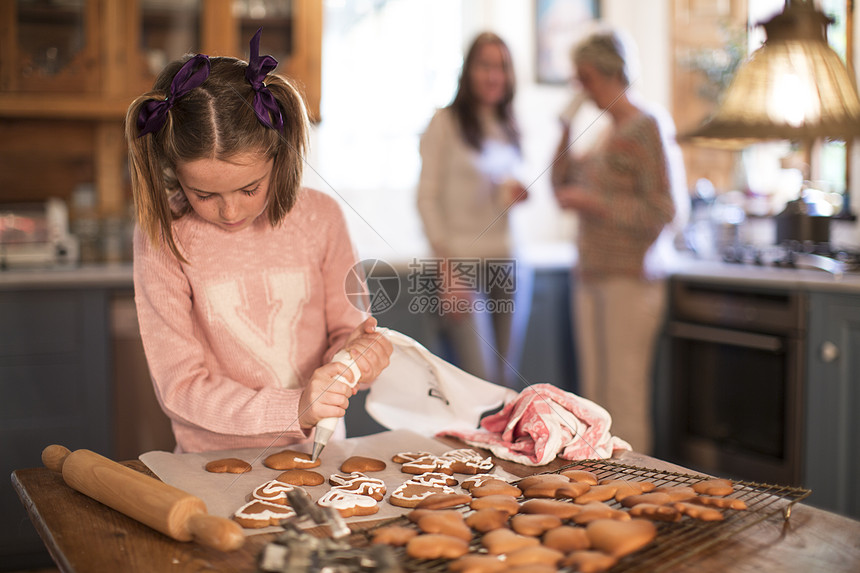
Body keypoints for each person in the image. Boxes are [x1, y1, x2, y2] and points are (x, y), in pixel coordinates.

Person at [125, 29, 393, 453]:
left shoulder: (322, 217)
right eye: (204, 195)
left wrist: (358, 358)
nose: (230, 213)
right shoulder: (162, 234)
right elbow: (181, 386)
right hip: (208, 463)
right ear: (174, 174)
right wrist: (295, 407)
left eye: (249, 189)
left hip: (317, 457)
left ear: (280, 157)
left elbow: (349, 331)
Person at [551, 29, 689, 454]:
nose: (581, 87)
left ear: (605, 73)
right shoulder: (602, 132)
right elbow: (558, 184)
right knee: (595, 401)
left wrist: (595, 202)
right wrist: (563, 127)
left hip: (630, 280)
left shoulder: (647, 126)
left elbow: (666, 210)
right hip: (592, 275)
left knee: (624, 398)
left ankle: (635, 494)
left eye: (584, 78)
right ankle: (601, 497)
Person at [416, 31, 528, 388]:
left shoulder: (509, 126)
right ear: (469, 71)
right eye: (485, 65)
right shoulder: (444, 123)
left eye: (502, 67)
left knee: (505, 386)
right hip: (461, 268)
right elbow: (426, 198)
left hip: (509, 264)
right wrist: (447, 271)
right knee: (479, 385)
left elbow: (504, 190)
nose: (494, 75)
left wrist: (518, 194)